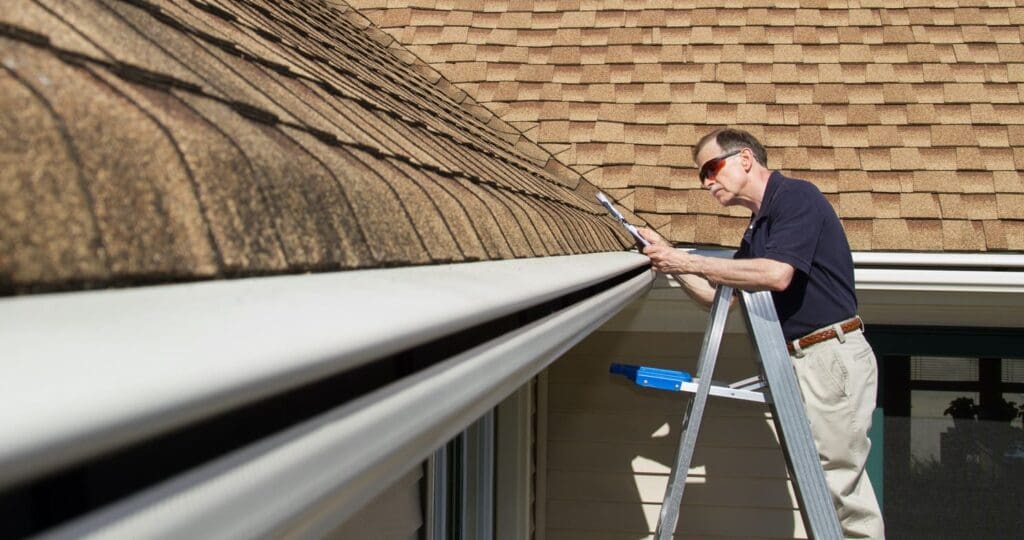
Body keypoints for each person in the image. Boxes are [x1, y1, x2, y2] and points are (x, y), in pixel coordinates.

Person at [638, 128, 884, 539]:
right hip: (801, 359)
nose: (707, 182)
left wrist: (687, 261)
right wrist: (669, 257)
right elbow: (721, 296)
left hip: (827, 355)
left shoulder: (796, 199)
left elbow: (776, 275)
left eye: (711, 169)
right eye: (702, 176)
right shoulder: (759, 227)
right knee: (821, 488)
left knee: (841, 490)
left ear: (745, 159)